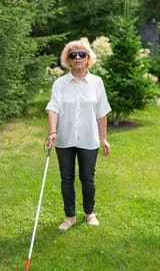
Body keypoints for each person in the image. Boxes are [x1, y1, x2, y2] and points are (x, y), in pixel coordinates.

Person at [45, 39, 111, 230]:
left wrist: (103, 139)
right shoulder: (60, 84)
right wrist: (52, 131)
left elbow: (102, 112)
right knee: (66, 177)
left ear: (89, 58)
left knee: (87, 178)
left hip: (89, 139)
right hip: (64, 139)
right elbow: (53, 109)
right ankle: (70, 217)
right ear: (68, 59)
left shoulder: (97, 83)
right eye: (73, 55)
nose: (78, 58)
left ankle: (90, 213)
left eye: (82, 54)